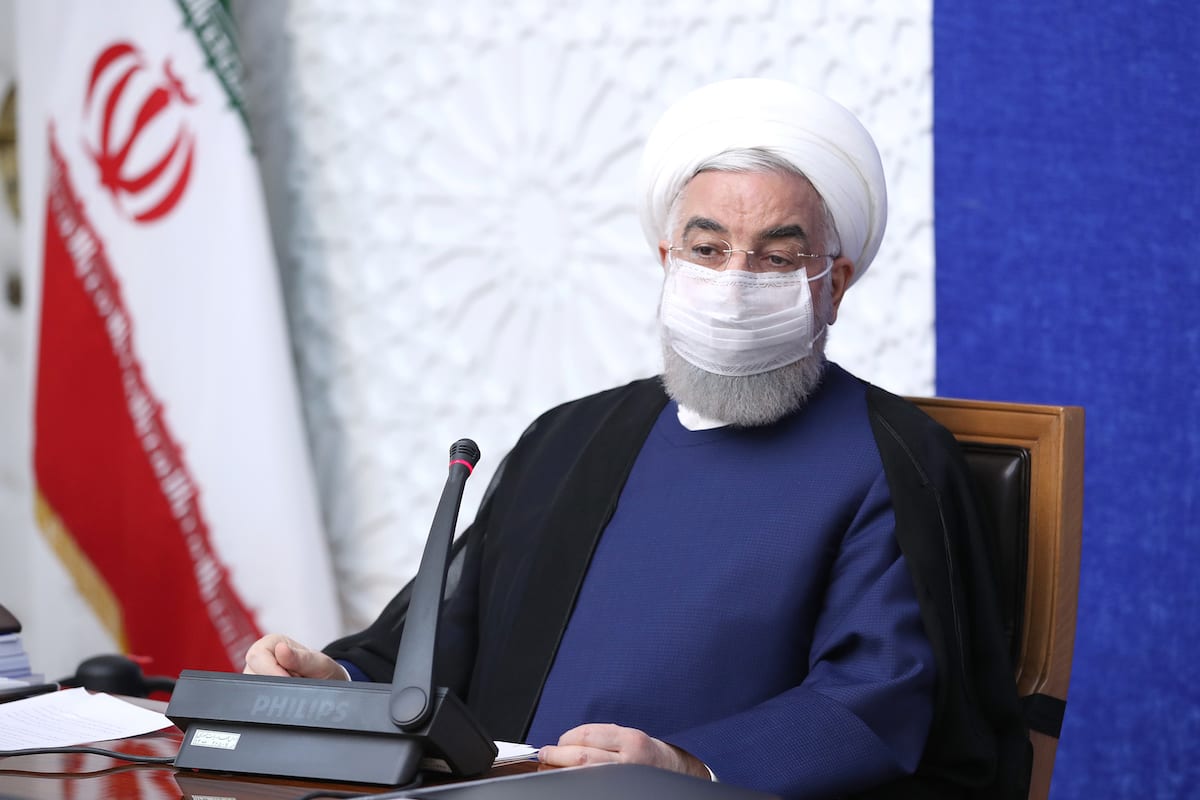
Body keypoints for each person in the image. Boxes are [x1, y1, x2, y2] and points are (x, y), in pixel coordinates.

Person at [245, 78, 1031, 799]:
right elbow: (440, 637)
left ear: (836, 281)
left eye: (778, 257)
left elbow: (876, 698)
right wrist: (339, 679)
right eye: (708, 248)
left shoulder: (889, 459)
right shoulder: (573, 439)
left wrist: (685, 768)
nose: (734, 280)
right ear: (667, 258)